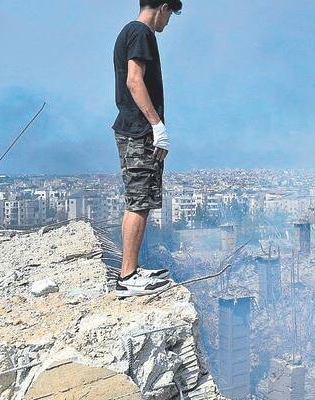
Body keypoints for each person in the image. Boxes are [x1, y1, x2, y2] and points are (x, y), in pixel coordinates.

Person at [111, 0, 182, 297]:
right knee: (138, 202)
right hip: (139, 131)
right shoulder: (141, 32)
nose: (168, 21)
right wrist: (156, 125)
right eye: (171, 14)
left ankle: (131, 270)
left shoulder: (130, 31)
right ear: (163, 7)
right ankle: (128, 277)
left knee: (140, 200)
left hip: (135, 130)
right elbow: (134, 80)